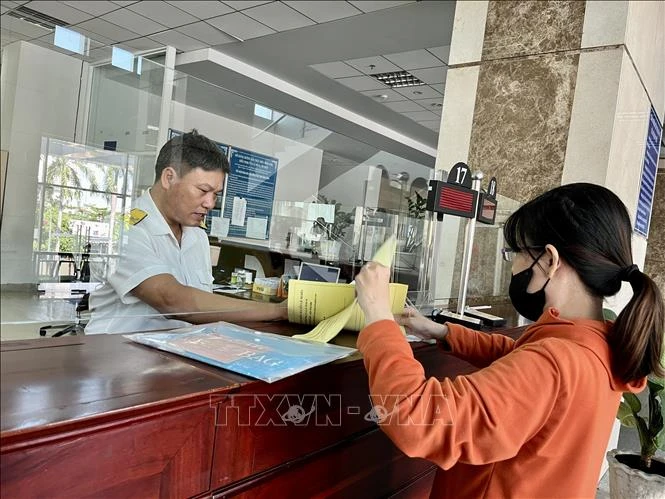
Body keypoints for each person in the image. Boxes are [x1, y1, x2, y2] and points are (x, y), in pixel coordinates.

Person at [354, 183, 664, 497]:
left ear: (549, 259)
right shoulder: (596, 344)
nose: (514, 264)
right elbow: (521, 357)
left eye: (516, 252)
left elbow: (414, 417)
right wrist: (445, 333)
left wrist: (378, 315)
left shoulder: (552, 362)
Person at [86, 130, 286, 334]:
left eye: (215, 194)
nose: (210, 203)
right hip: (118, 355)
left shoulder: (197, 235)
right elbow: (171, 300)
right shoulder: (124, 230)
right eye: (202, 190)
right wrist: (278, 311)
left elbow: (201, 307)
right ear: (169, 178)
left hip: (177, 353)